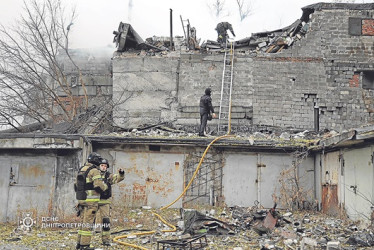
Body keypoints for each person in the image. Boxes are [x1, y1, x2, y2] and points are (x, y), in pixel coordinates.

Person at [75, 152, 108, 250]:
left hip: (82, 200)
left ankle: (79, 244)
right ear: (95, 160)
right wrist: (105, 186)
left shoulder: (82, 169)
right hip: (91, 202)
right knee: (88, 224)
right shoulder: (94, 171)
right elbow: (98, 186)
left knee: (82, 223)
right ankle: (85, 245)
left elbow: (75, 185)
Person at [95, 158, 125, 246]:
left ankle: (106, 240)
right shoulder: (93, 174)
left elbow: (117, 178)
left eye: (105, 166)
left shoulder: (108, 176)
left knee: (106, 221)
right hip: (93, 201)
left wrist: (121, 173)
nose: (104, 167)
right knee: (88, 220)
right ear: (98, 166)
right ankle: (84, 242)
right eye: (102, 165)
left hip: (105, 201)